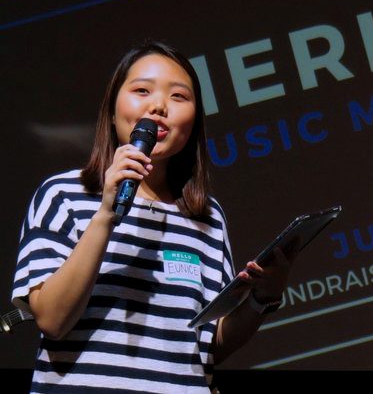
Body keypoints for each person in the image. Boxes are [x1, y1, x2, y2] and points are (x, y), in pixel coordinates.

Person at [11, 41, 295, 393]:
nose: (158, 106)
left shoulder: (206, 217)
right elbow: (51, 319)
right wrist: (106, 215)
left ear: (194, 122)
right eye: (141, 90)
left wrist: (261, 298)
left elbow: (206, 346)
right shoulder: (63, 195)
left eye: (178, 97)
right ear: (113, 109)